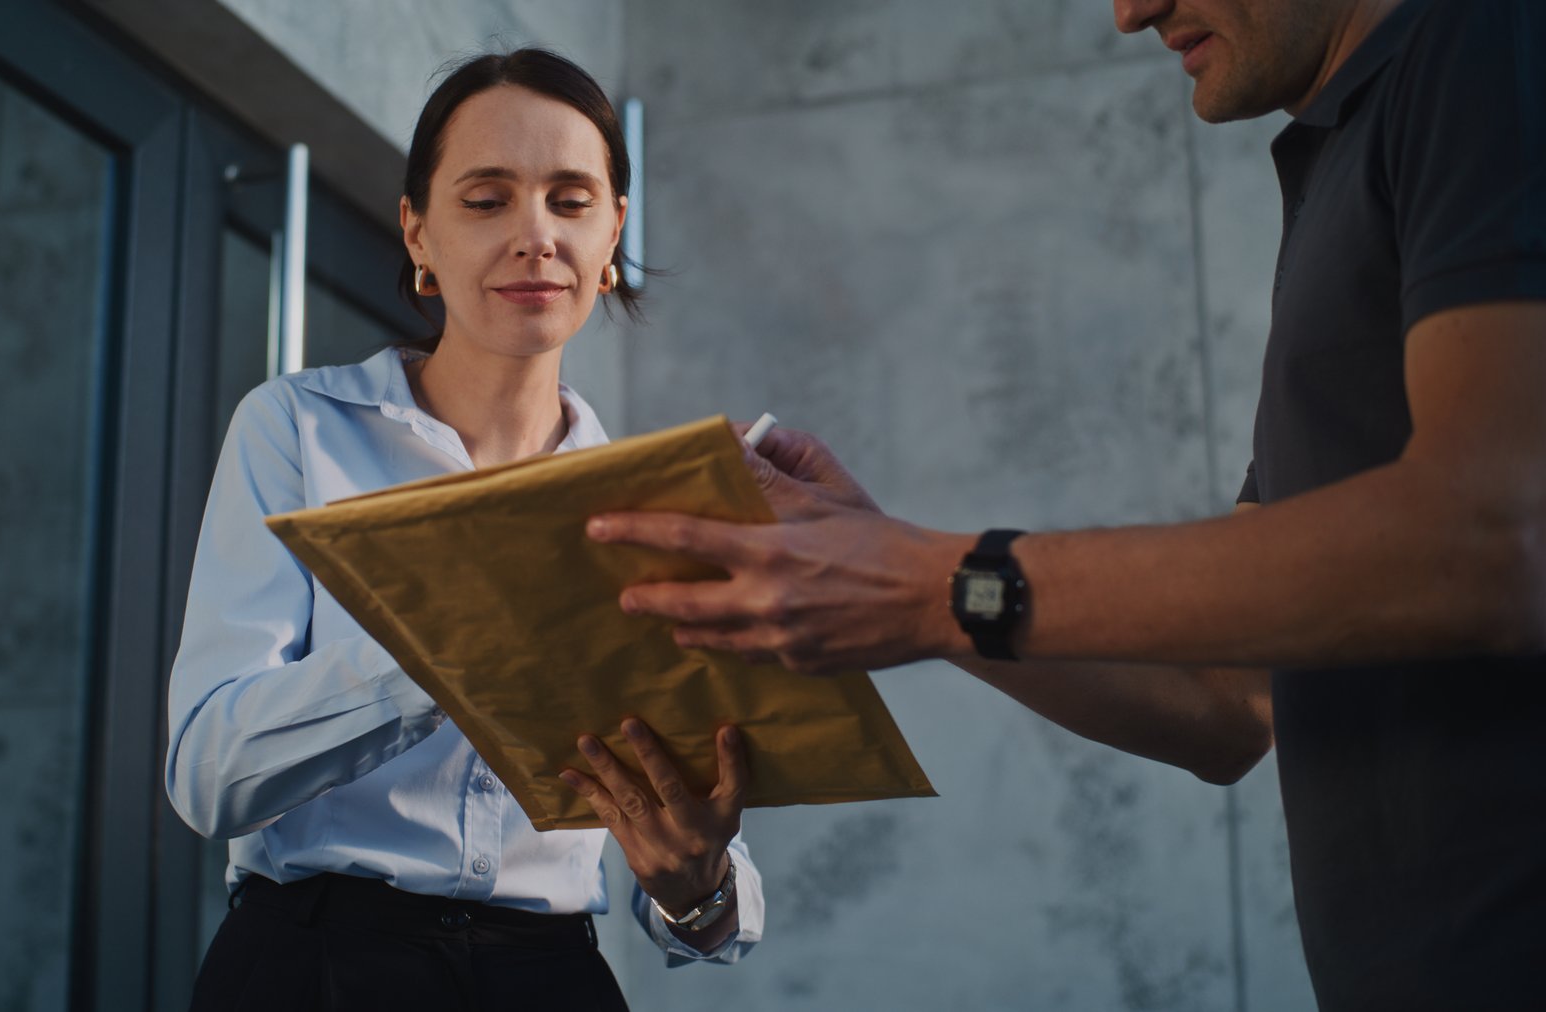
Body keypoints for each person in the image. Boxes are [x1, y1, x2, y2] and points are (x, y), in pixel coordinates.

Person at [586, 0, 1545, 1008]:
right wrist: (900, 578)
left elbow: (1501, 540)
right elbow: (1228, 703)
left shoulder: (1487, 43)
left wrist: (926, 585)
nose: (1132, 13)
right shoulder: (1341, 162)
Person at [166, 48, 763, 1012]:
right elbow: (208, 778)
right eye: (487, 200)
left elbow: (709, 904)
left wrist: (698, 886)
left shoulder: (648, 510)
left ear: (613, 233)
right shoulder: (297, 428)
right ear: (419, 232)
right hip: (315, 968)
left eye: (571, 201)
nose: (536, 236)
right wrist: (456, 651)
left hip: (552, 978)